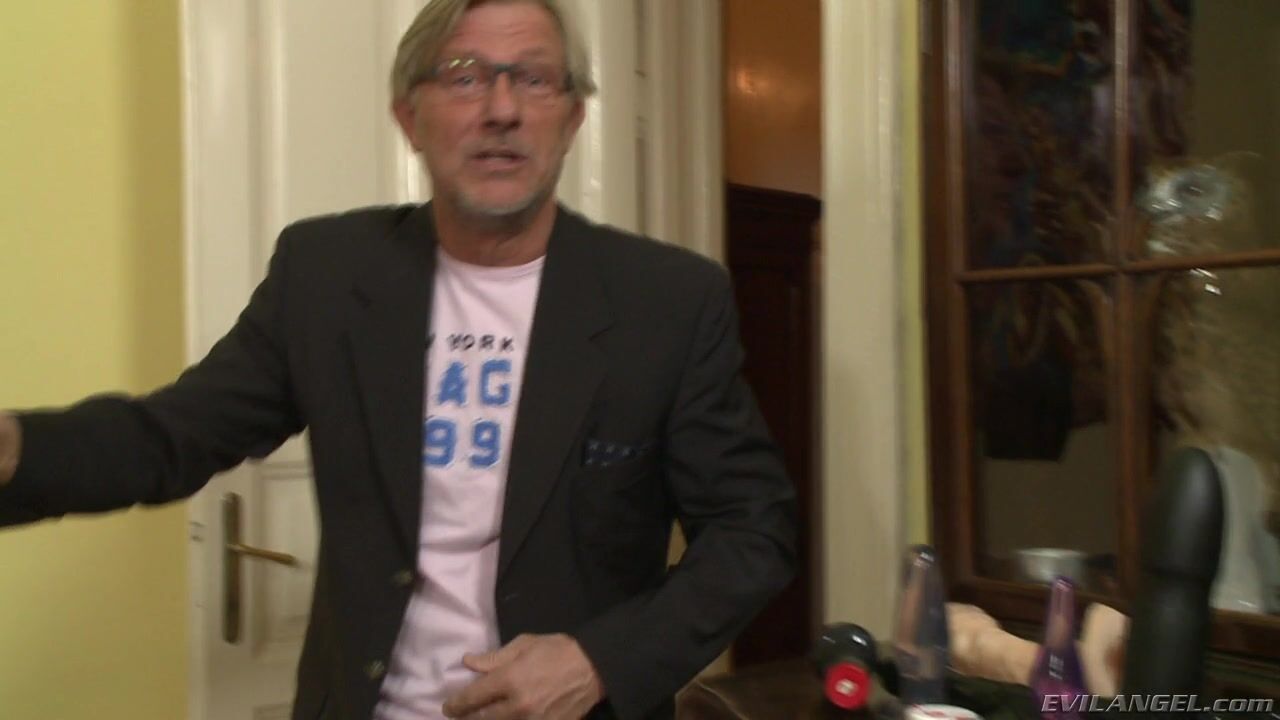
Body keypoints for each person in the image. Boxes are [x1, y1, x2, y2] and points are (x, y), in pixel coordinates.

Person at [0, 0, 797, 718]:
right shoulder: (327, 274)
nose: (502, 109)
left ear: (572, 119)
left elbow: (752, 528)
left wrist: (598, 661)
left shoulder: (666, 301)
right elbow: (173, 435)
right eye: (464, 76)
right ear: (409, 117)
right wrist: (15, 448)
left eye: (534, 79)